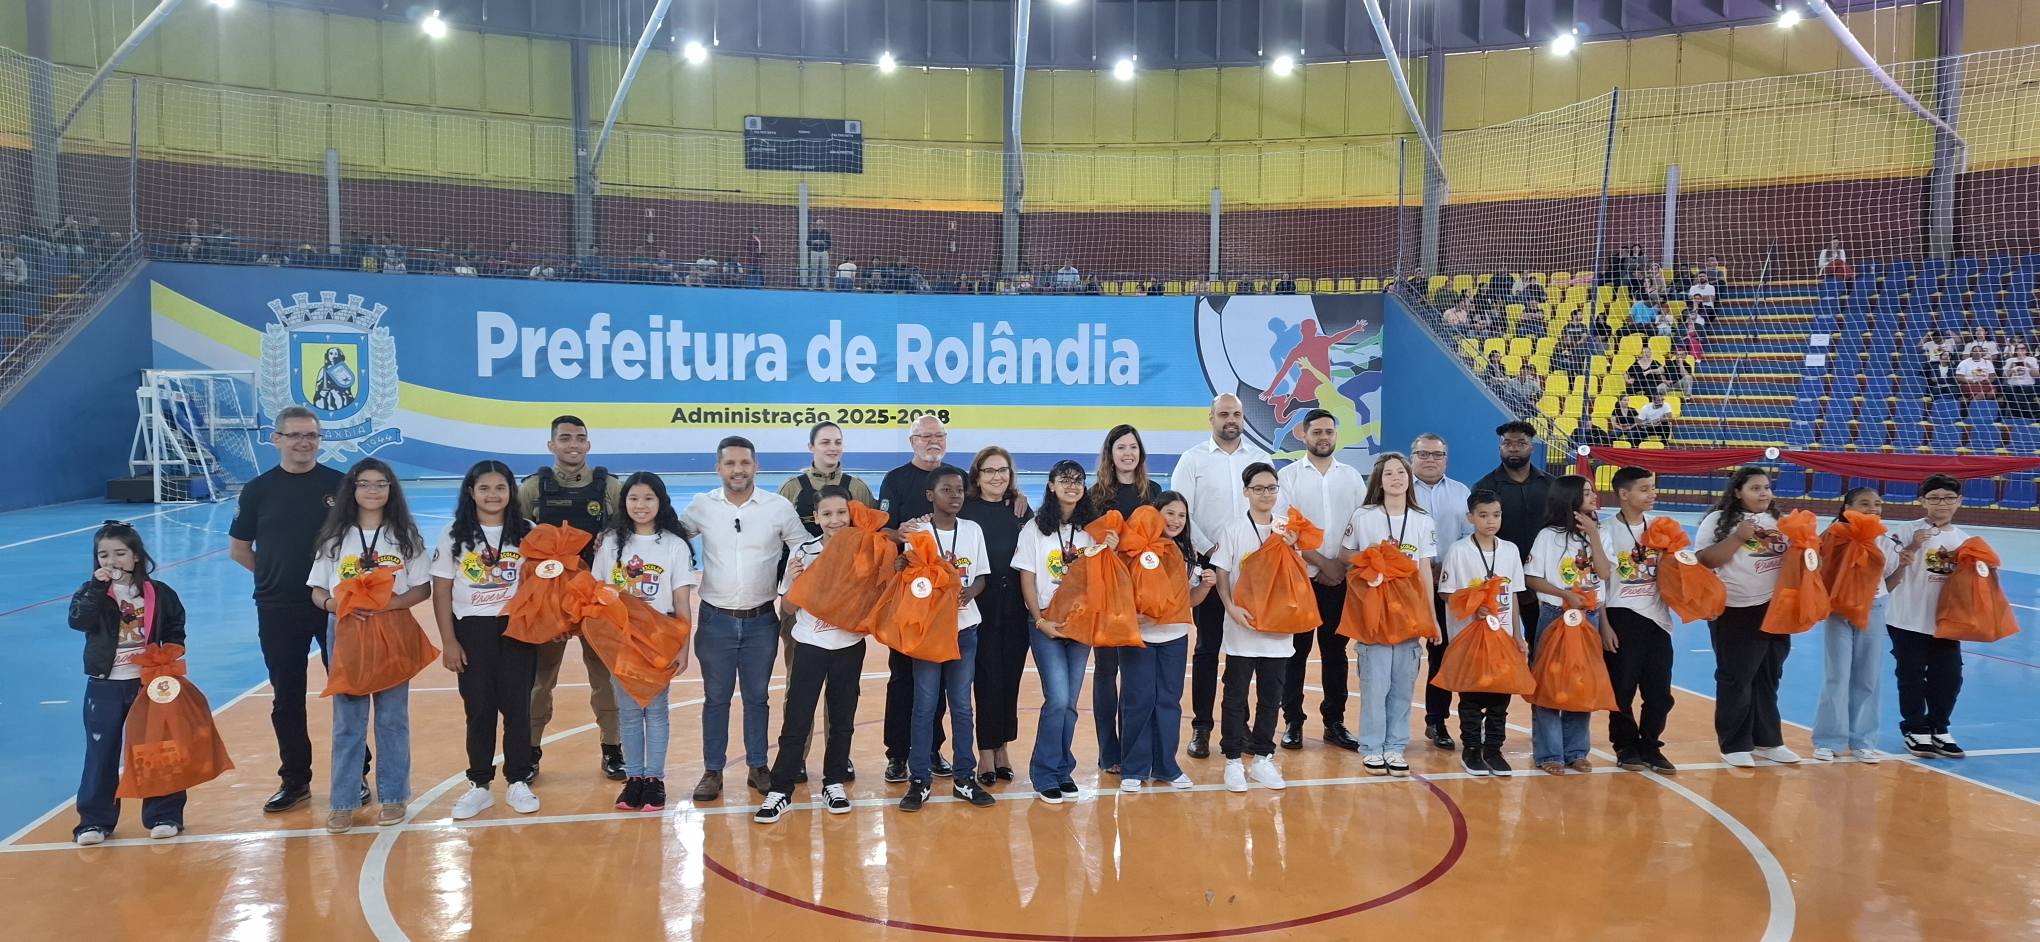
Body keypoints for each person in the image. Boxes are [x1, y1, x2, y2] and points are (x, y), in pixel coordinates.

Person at [228, 405, 353, 815]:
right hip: (278, 607)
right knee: (287, 697)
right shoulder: (258, 490)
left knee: (348, 691)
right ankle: (295, 780)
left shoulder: (340, 486)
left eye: (311, 435)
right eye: (295, 435)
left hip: (332, 605)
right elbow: (239, 549)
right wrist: (274, 576)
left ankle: (355, 774)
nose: (304, 442)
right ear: (277, 439)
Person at [681, 437, 809, 801]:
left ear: (756, 466)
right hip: (715, 621)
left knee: (757, 698)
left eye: (744, 463)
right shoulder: (702, 506)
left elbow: (804, 548)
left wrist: (790, 587)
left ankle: (758, 765)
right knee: (715, 698)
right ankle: (712, 771)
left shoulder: (777, 507)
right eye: (730, 463)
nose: (738, 470)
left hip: (761, 621)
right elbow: (668, 536)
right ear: (718, 468)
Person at [308, 459, 431, 833]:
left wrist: (390, 604)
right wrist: (335, 605)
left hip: (392, 627)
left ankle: (393, 796)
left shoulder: (405, 536)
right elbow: (317, 590)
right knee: (348, 720)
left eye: (381, 483)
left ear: (391, 489)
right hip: (348, 630)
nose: (373, 490)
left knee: (392, 717)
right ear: (353, 489)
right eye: (365, 484)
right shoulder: (335, 537)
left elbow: (422, 588)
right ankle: (343, 801)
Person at [518, 416, 627, 782]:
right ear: (552, 445)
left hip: (596, 599)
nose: (573, 444)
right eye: (565, 438)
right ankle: (530, 750)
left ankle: (613, 748)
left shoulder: (610, 487)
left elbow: (629, 530)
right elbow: (515, 540)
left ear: (588, 444)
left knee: (605, 678)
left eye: (580, 438)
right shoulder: (532, 488)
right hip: (549, 601)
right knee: (540, 679)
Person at [431, 461, 542, 821]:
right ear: (471, 492)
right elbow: (441, 590)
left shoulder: (527, 532)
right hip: (472, 630)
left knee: (518, 708)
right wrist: (449, 641)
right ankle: (479, 785)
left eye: (500, 488)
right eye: (484, 488)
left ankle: (518, 780)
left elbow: (543, 584)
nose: (492, 495)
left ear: (511, 492)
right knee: (478, 709)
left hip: (516, 629)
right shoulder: (454, 534)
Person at [68, 522, 190, 845]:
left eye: (120, 553)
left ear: (136, 556)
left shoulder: (159, 593)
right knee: (101, 753)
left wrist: (170, 651)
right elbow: (78, 621)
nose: (112, 561)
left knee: (157, 750)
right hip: (104, 687)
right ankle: (94, 821)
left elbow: (176, 623)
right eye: (103, 555)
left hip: (148, 685)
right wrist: (97, 589)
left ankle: (164, 814)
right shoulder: (91, 593)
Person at [756, 487, 868, 823]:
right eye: (827, 514)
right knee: (798, 717)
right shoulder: (803, 552)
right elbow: (788, 608)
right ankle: (781, 789)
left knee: (842, 718)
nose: (835, 520)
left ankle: (834, 782)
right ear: (816, 517)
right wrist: (796, 582)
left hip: (849, 645)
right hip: (809, 645)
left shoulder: (864, 548)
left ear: (850, 514)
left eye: (841, 512)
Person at [1170, 394, 1272, 760]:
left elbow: (1270, 508)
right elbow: (1181, 511)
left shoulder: (1260, 459)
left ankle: (1238, 725)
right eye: (1224, 413)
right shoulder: (1192, 459)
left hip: (1253, 572)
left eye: (1237, 414)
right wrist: (1211, 550)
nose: (1231, 419)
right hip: (1210, 567)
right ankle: (1201, 727)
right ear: (1210, 417)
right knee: (1207, 648)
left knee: (1242, 651)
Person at [596, 473, 699, 813]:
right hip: (621, 638)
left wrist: (683, 645)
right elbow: (597, 595)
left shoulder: (673, 545)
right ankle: (634, 779)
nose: (641, 505)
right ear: (624, 502)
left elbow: (682, 601)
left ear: (661, 502)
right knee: (628, 712)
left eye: (648, 498)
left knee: (655, 711)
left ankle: (654, 779)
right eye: (634, 498)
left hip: (659, 637)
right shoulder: (610, 543)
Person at [898, 466, 996, 811]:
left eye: (959, 490)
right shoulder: (918, 532)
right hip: (928, 632)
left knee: (962, 706)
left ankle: (964, 778)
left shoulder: (972, 530)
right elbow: (908, 578)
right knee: (924, 706)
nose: (955, 496)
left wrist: (968, 592)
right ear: (930, 495)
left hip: (965, 630)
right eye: (946, 490)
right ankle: (919, 779)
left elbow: (981, 576)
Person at [1695, 466, 1800, 769]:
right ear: (1738, 492)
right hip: (1735, 608)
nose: (1764, 493)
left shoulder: (1779, 521)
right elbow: (1704, 560)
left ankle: (1768, 740)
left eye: (1766, 487)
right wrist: (1738, 537)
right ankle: (1734, 744)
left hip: (1775, 608)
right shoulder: (1719, 520)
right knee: (1737, 678)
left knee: (1769, 676)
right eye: (1755, 488)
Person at [1342, 452, 1439, 776]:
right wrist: (1373, 559)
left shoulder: (1422, 520)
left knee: (1402, 685)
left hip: (1409, 613)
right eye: (1389, 474)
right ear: (1379, 481)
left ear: (1409, 479)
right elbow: (1345, 554)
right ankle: (1372, 747)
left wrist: (1431, 617)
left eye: (1401, 473)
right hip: (1375, 611)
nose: (1396, 478)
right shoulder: (1364, 515)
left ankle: (1395, 747)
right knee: (1375, 684)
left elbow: (1424, 570)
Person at [1271, 410, 1363, 752]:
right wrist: (1323, 563)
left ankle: (1334, 722)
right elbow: (1285, 529)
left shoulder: (1351, 477)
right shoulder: (1288, 477)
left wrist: (1340, 567)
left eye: (1329, 431)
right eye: (1317, 432)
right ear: (1303, 434)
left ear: (1336, 435)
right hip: (1299, 579)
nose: (1324, 437)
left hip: (1340, 580)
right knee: (1295, 653)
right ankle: (1293, 721)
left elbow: (1361, 525)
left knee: (1336, 653)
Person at [1014, 460, 1101, 803]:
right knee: (1059, 698)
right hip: (1046, 623)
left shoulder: (1091, 530)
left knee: (1071, 704)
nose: (1072, 485)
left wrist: (1109, 544)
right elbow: (1027, 578)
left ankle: (1063, 769)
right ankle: (1044, 773)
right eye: (1064, 480)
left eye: (1078, 480)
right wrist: (1039, 620)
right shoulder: (1035, 529)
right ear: (1050, 485)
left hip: (1080, 624)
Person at [1210, 462, 1299, 792]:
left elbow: (1297, 576)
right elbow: (1222, 574)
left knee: (1271, 697)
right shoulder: (1233, 529)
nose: (1266, 494)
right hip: (1243, 627)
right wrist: (1230, 607)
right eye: (1258, 488)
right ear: (1246, 491)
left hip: (1278, 630)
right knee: (1235, 695)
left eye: (1271, 488)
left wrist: (1293, 546)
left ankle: (1263, 758)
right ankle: (1233, 760)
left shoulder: (1287, 529)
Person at [1119, 491, 1212, 792]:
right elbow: (1118, 591)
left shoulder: (1186, 553)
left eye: (1181, 515)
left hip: (1174, 638)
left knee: (1169, 701)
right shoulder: (1133, 548)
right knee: (1138, 700)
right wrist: (1130, 615)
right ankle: (1134, 768)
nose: (1175, 520)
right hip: (1140, 639)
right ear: (1154, 514)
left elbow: (1187, 601)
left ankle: (1166, 766)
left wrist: (1206, 587)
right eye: (1169, 513)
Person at [1523, 475, 1613, 776]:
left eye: (1592, 492)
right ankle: (1549, 752)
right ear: (1569, 498)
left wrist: (1594, 536)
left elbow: (1604, 573)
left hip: (1589, 617)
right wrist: (1564, 595)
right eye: (1586, 493)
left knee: (1580, 683)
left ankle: (1576, 751)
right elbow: (1532, 578)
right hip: (1555, 616)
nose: (1593, 497)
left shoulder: (1600, 533)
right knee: (1550, 684)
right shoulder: (1548, 536)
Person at [1435, 491, 1526, 777]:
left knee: (1500, 697)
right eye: (1483, 515)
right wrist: (1473, 607)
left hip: (1503, 637)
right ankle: (1472, 749)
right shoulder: (1459, 551)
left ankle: (1494, 750)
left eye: (1496, 515)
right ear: (1470, 517)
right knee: (1472, 697)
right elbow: (1446, 593)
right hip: (1470, 637)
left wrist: (1518, 635)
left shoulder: (1510, 550)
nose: (1491, 521)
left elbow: (1513, 595)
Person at [1088, 425, 1162, 774]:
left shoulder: (1154, 492)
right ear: (1110, 453)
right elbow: (1087, 543)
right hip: (1107, 592)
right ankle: (1109, 752)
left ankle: (1136, 749)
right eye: (1121, 447)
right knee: (1106, 671)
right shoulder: (1095, 496)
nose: (1128, 453)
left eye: (1133, 447)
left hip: (1143, 592)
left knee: (1137, 676)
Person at [1883, 474, 1971, 759]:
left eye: (1948, 498)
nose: (1941, 504)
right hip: (1906, 619)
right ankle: (1914, 728)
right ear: (1922, 501)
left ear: (1959, 501)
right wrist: (1912, 547)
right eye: (1934, 498)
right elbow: (1886, 570)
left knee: (1949, 677)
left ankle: (1939, 727)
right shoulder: (1905, 530)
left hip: (1945, 622)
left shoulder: (1965, 540)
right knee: (1911, 676)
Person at [1598, 468, 1678, 774]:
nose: (1652, 494)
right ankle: (1625, 745)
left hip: (1657, 619)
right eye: (1644, 489)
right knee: (1622, 690)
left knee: (1660, 693)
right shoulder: (1605, 531)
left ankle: (1650, 744)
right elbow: (1598, 582)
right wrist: (1604, 624)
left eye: (1653, 488)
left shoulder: (1661, 527)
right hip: (1620, 616)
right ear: (1624, 494)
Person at [1810, 488, 1898, 764]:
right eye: (1864, 504)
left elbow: (1889, 579)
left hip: (1874, 608)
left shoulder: (1885, 539)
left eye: (1878, 504)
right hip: (1839, 610)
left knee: (1868, 676)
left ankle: (1863, 741)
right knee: (1837, 675)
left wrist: (1906, 561)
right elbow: (1818, 570)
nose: (1873, 509)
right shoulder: (1832, 535)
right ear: (1848, 507)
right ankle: (1828, 740)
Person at [964, 447, 1030, 787]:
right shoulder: (966, 510)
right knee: (987, 679)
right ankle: (986, 752)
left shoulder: (1020, 509)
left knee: (1010, 678)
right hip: (982, 607)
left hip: (1016, 607)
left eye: (1002, 470)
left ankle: (1003, 746)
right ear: (977, 475)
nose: (996, 477)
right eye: (989, 471)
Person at [1410, 433, 1471, 752]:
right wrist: (1421, 568)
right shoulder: (1399, 489)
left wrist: (1443, 569)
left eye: (1437, 454)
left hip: (1448, 587)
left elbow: (1469, 539)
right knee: (1401, 656)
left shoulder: (1461, 493)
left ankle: (1436, 720)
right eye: (1423, 454)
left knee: (1442, 654)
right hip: (1406, 587)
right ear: (1412, 457)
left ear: (1446, 459)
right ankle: (1392, 724)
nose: (1430, 460)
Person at [1473, 421, 1553, 632]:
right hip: (1500, 577)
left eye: (1521, 443)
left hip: (1544, 578)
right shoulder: (1485, 487)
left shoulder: (1551, 485)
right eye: (1507, 443)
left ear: (1532, 447)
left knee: (1543, 642)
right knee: (1498, 638)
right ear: (1500, 447)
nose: (1514, 448)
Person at [2002, 344, 2038, 420]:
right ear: (2015, 350)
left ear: (2027, 350)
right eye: (2018, 348)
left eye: (2023, 348)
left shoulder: (2032, 360)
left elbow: (2036, 375)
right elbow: (2004, 376)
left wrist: (2029, 366)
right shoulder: (2010, 360)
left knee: (2020, 398)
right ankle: (2024, 418)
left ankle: (2022, 418)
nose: (2021, 350)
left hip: (2027, 386)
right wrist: (2011, 368)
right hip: (2012, 385)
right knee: (2011, 394)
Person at [805, 219, 832, 287]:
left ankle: (826, 285)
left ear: (823, 225)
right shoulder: (812, 232)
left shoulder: (826, 233)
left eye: (821, 224)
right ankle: (813, 285)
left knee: (825, 269)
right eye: (818, 224)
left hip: (824, 252)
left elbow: (829, 244)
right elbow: (807, 242)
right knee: (813, 269)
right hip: (814, 252)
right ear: (816, 225)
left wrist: (823, 243)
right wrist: (814, 242)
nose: (819, 225)